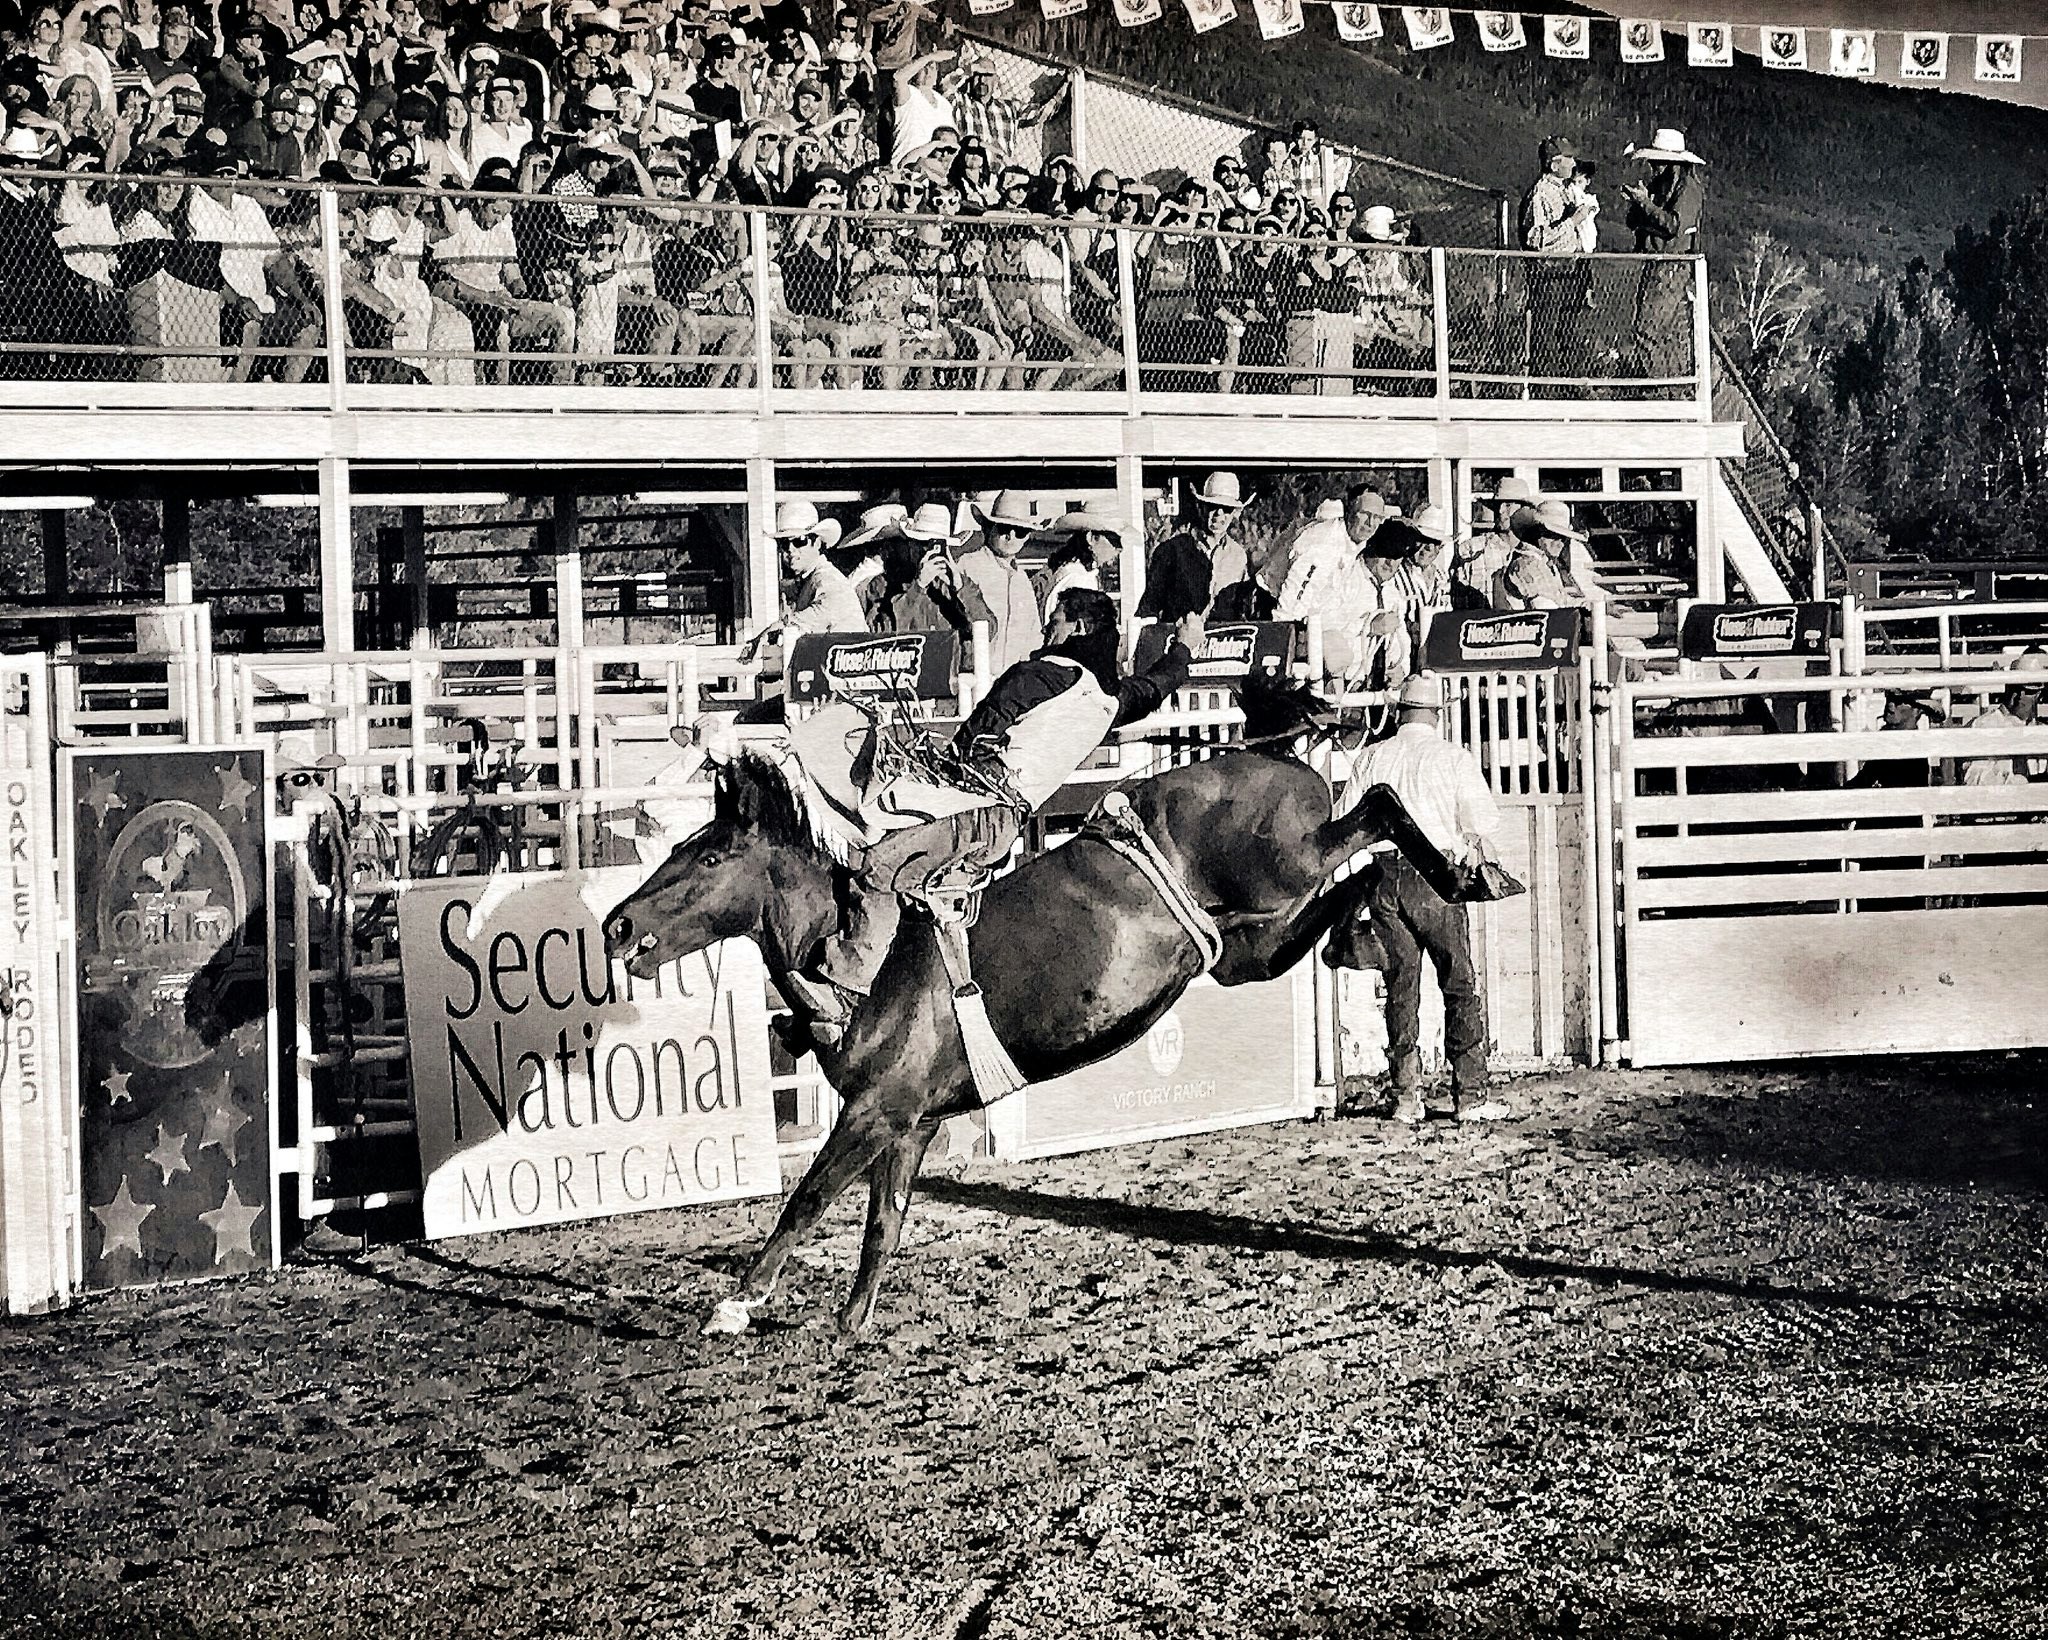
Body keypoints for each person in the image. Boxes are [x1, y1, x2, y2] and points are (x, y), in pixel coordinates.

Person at [782, 588, 1201, 1043]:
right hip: (1002, 825)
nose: (1048, 628)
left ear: (1077, 629)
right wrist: (1183, 648)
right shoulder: (1107, 699)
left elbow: (975, 737)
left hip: (971, 805)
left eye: (1056, 619)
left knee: (878, 864)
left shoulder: (1039, 675)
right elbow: (1156, 686)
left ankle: (841, 994)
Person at [1332, 671, 1500, 1123]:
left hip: (1385, 876)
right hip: (1436, 874)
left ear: (1400, 711)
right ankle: (1470, 1094)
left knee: (1401, 986)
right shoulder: (1452, 757)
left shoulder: (1371, 758)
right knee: (1458, 983)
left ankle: (1406, 1095)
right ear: (1436, 715)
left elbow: (1345, 821)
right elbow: (1484, 820)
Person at [1274, 483, 1390, 681]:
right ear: (1349, 510)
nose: (1370, 523)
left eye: (1377, 517)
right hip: (1288, 632)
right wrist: (1283, 662)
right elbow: (1291, 603)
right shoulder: (1324, 542)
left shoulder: (1355, 546)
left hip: (1316, 634)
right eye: (1365, 513)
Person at [1620, 127, 1705, 376]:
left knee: (1648, 330)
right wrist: (1640, 205)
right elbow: (1638, 222)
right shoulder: (1663, 185)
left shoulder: (1687, 189)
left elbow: (1673, 227)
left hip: (1671, 267)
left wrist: (1645, 203)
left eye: (1657, 161)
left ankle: (1656, 387)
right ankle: (1664, 386)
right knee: (1657, 331)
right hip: (1659, 264)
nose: (1653, 166)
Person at [859, 499, 997, 654]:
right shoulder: (882, 585)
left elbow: (987, 632)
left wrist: (960, 588)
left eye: (938, 545)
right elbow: (882, 636)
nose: (929, 552)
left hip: (949, 673)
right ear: (910, 544)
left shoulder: (956, 585)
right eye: (923, 544)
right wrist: (917, 587)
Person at [738, 499, 865, 662]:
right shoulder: (814, 578)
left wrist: (763, 636)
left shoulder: (828, 580)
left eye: (799, 541)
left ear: (817, 542)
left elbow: (813, 617)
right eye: (784, 543)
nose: (790, 550)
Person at [1137, 469, 1250, 622]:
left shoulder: (1238, 555)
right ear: (1201, 507)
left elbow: (1242, 606)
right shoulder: (1172, 550)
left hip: (1223, 641)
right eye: (1213, 506)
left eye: (1227, 509)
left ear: (1234, 513)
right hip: (1180, 639)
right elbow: (1150, 607)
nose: (1219, 514)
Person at [953, 489, 1046, 675]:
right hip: (975, 680)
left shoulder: (1023, 581)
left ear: (1028, 536)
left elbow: (1033, 638)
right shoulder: (967, 565)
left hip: (1014, 686)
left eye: (1020, 531)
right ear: (989, 528)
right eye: (1004, 528)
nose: (1010, 536)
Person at [1961, 648, 2048, 787]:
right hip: (2000, 802)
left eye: (2030, 691)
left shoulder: (2041, 730)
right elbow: (1974, 780)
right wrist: (2021, 783)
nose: (2019, 695)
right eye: (2015, 688)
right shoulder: (1984, 725)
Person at [1493, 499, 1597, 612]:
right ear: (1537, 533)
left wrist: (1597, 607)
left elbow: (1562, 601)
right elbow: (1546, 608)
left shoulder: (1546, 564)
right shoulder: (1526, 564)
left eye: (1563, 537)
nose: (1559, 542)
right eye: (1551, 535)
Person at [1035, 497, 1125, 622]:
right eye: (1115, 541)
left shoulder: (1066, 568)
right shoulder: (1079, 579)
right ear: (1091, 538)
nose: (1119, 549)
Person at [1453, 477, 1529, 608]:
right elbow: (1457, 604)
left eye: (1508, 505)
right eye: (1497, 506)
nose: (1500, 511)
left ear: (1523, 511)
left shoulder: (1533, 555)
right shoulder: (1472, 549)